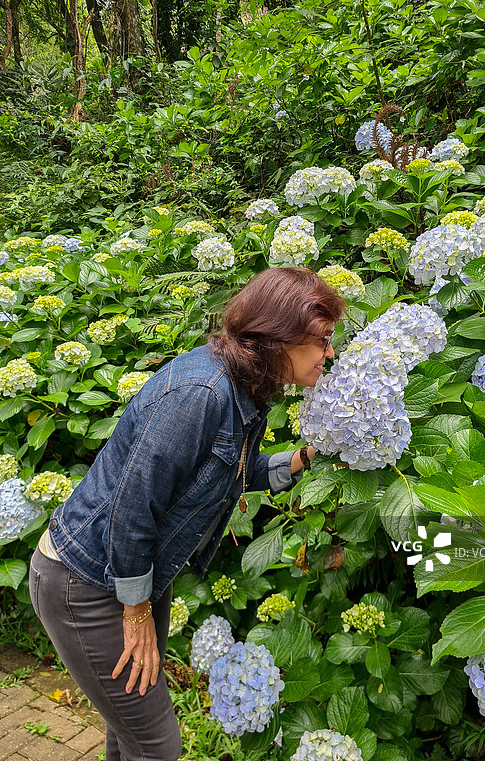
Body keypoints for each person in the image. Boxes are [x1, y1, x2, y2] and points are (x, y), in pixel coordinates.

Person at [29, 266, 345, 761]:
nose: (330, 353)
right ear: (280, 336)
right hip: (86, 583)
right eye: (323, 340)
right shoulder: (201, 393)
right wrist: (136, 612)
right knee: (157, 746)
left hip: (131, 576)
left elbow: (229, 469)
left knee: (130, 736)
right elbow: (133, 508)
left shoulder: (241, 385)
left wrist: (307, 456)